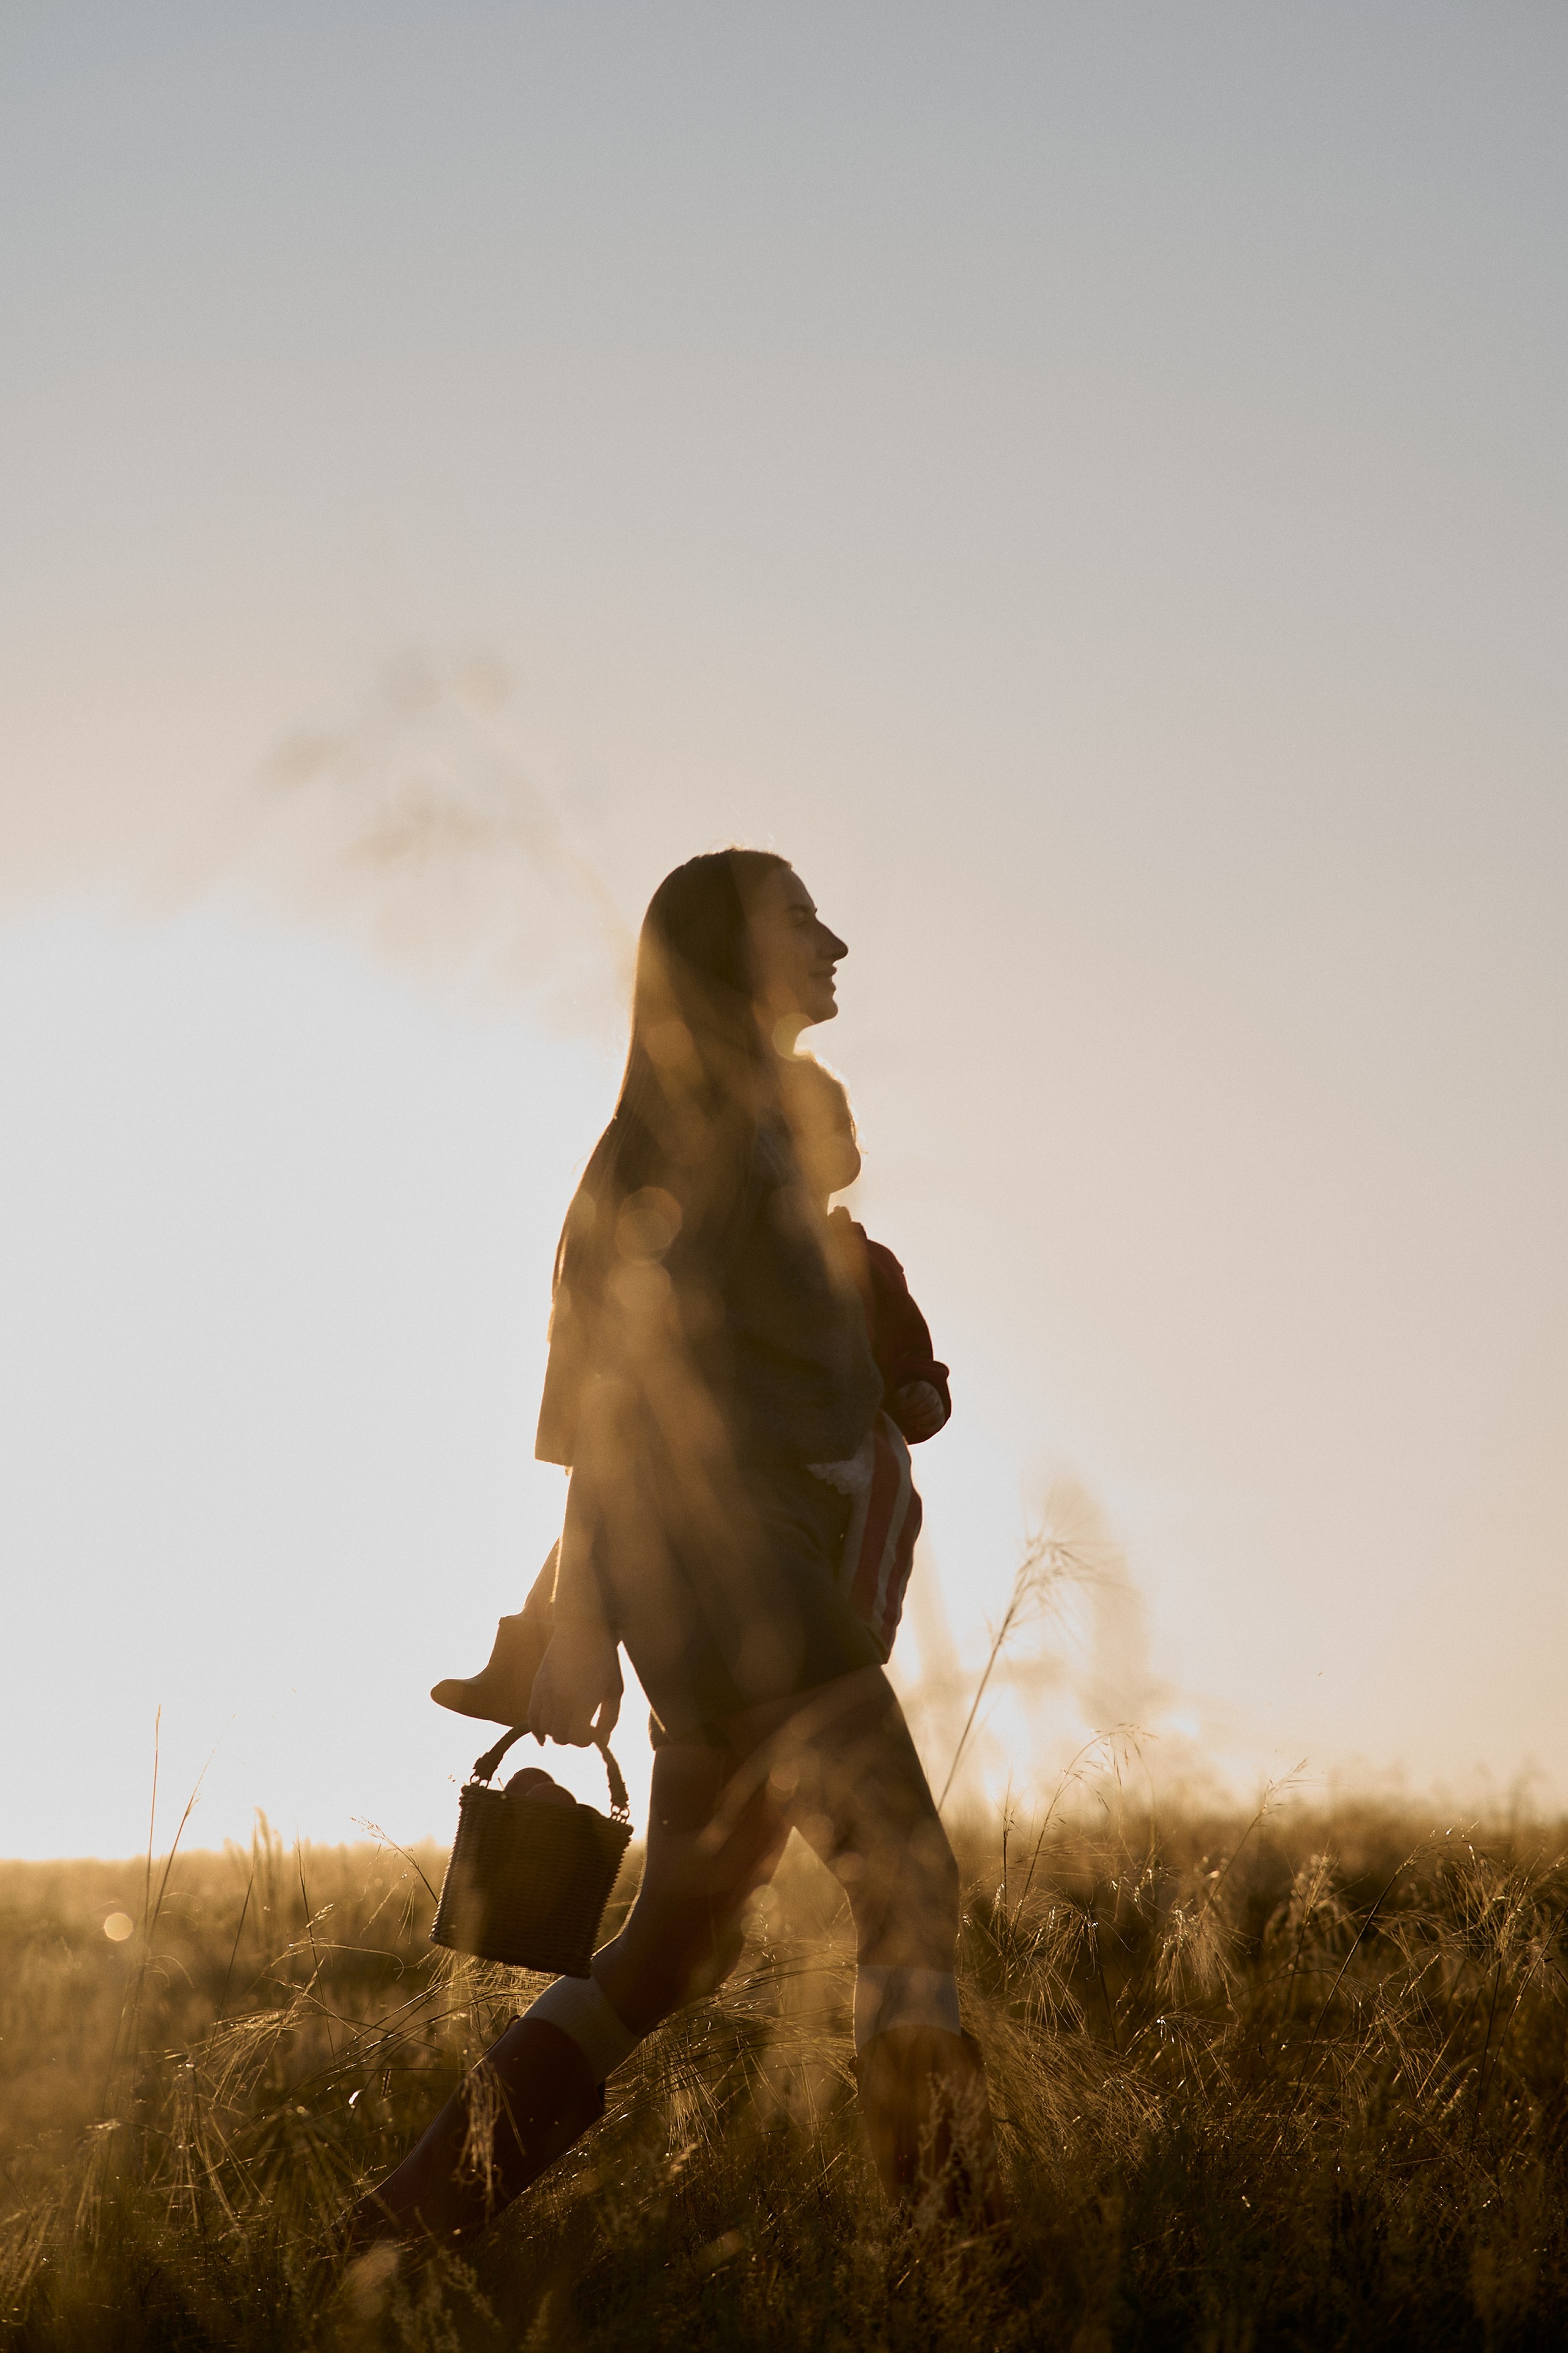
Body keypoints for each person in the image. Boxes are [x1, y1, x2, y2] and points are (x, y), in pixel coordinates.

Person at [349, 849, 1002, 2251]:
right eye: (797, 919)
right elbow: (615, 1383)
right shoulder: (698, 1123)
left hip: (719, 1581)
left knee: (677, 1944)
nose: (834, 940)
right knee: (906, 1875)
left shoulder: (755, 1126)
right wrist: (577, 1611)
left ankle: (409, 2219)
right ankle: (949, 2246)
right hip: (730, 1569)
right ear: (723, 946)